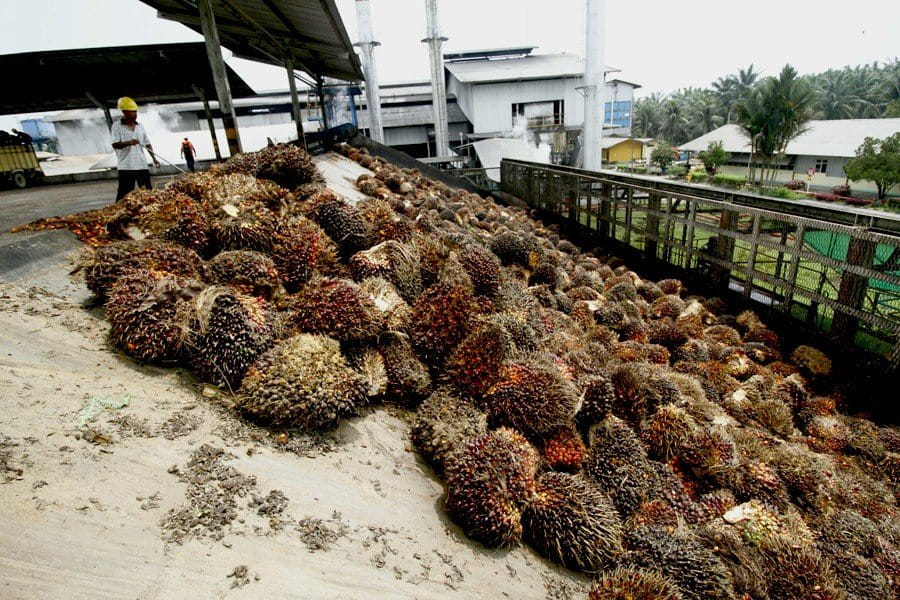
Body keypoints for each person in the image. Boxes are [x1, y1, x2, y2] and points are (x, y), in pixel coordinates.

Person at [110, 96, 160, 200]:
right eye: (132, 112)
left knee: (148, 191)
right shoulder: (116, 126)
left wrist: (154, 158)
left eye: (135, 112)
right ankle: (119, 212)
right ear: (125, 112)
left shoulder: (140, 126)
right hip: (126, 166)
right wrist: (129, 142)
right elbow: (115, 144)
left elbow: (147, 143)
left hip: (141, 164)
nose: (135, 115)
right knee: (125, 193)